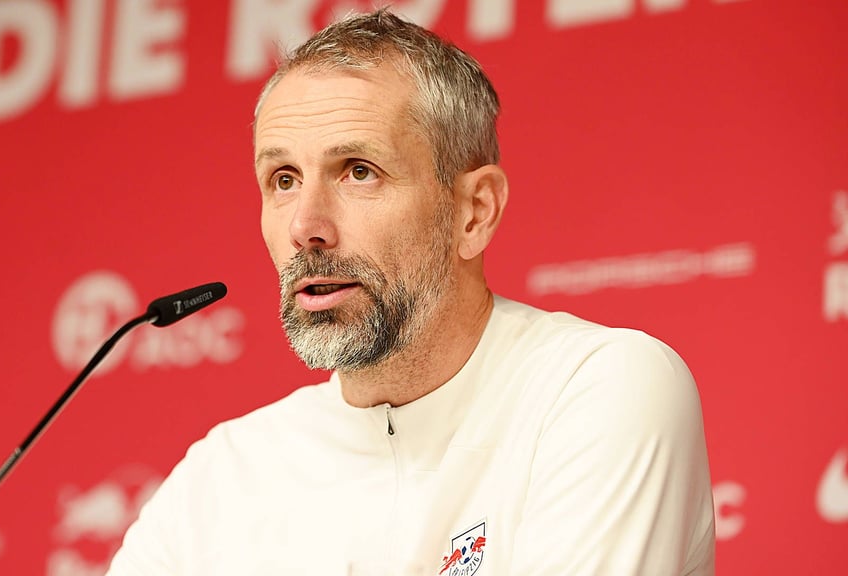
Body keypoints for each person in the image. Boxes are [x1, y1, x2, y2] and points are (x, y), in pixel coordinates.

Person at [107, 8, 714, 575]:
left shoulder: (594, 387)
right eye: (283, 179)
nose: (305, 226)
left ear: (474, 212)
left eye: (358, 171)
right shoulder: (220, 476)